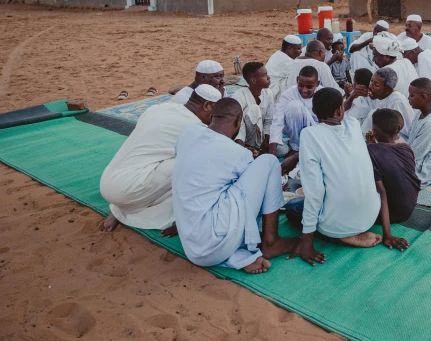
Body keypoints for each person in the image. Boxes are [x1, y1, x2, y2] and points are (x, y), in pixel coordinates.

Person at [172, 99, 299, 274]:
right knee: (269, 162)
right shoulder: (239, 154)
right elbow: (257, 186)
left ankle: (238, 255)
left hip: (192, 245)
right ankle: (271, 241)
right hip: (215, 242)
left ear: (211, 117)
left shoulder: (188, 133)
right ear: (239, 121)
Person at [99, 85, 221, 234]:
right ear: (207, 106)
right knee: (197, 165)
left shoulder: (158, 108)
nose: (214, 119)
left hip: (107, 181)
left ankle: (118, 209)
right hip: (127, 190)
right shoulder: (195, 127)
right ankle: (125, 212)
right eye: (215, 114)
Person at [287, 88, 382, 265]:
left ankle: (340, 238)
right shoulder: (353, 124)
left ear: (314, 111)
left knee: (292, 207)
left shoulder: (309, 134)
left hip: (337, 225)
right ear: (340, 111)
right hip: (371, 215)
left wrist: (306, 240)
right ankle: (348, 231)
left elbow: (315, 192)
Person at [367, 109, 419, 248]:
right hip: (409, 209)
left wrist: (387, 234)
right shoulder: (406, 148)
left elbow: (381, 191)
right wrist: (373, 145)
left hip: (392, 214)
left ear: (374, 131)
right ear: (400, 128)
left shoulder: (369, 152)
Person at [402, 78, 431, 186]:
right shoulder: (420, 114)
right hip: (415, 157)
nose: (408, 98)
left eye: (411, 95)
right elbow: (410, 137)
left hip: (423, 170)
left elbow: (415, 155)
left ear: (423, 97)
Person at [269, 65, 322, 156]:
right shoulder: (289, 94)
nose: (304, 90)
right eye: (301, 85)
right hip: (292, 130)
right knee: (295, 106)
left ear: (317, 83)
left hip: (315, 130)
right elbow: (278, 120)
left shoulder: (323, 93)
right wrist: (271, 155)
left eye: (309, 87)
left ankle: (303, 147)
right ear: (297, 80)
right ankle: (296, 147)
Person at [345, 67, 414, 135]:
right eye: (371, 81)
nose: (370, 86)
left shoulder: (396, 101)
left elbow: (401, 132)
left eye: (376, 84)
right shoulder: (372, 95)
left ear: (387, 90)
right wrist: (352, 96)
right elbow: (346, 110)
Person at [231, 61, 275, 155]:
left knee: (282, 150)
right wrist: (241, 147)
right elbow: (239, 125)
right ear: (253, 80)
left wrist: (267, 140)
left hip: (260, 137)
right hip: (245, 139)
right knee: (254, 109)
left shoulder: (268, 93)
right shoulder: (239, 96)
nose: (268, 77)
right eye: (264, 75)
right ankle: (250, 148)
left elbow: (269, 120)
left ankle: (258, 148)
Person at [372, 31, 417, 97]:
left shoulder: (385, 72)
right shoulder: (406, 62)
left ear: (387, 57)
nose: (373, 59)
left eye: (375, 55)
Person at [266, 36, 303, 103]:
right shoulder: (287, 62)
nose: (301, 51)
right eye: (298, 49)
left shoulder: (278, 54)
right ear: (290, 48)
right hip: (273, 92)